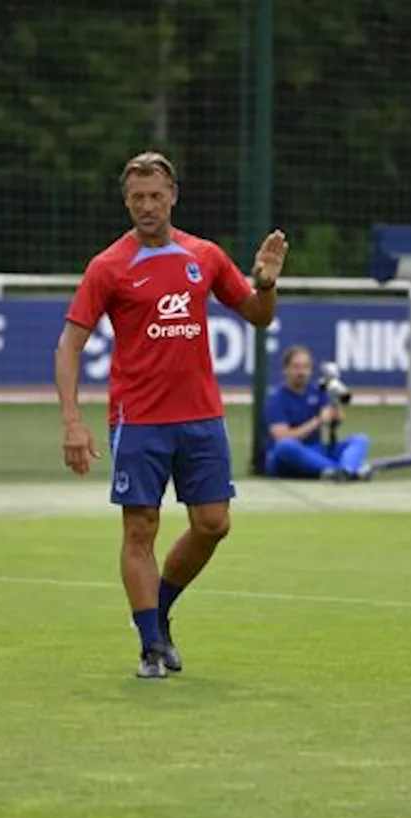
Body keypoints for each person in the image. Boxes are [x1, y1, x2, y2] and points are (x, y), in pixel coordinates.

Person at [54, 151, 289, 678]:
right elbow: (68, 346)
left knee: (213, 524)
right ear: (126, 201)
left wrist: (267, 283)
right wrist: (73, 421)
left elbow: (257, 317)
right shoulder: (108, 266)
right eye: (137, 198)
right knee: (141, 531)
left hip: (201, 418)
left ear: (173, 196)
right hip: (138, 421)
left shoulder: (203, 255)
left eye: (155, 196)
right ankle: (151, 647)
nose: (147, 206)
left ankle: (156, 615)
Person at [263, 344, 372, 480]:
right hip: (289, 455)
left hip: (318, 449)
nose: (301, 372)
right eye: (296, 367)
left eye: (305, 367)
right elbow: (282, 436)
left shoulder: (318, 391)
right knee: (284, 447)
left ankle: (346, 470)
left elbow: (337, 419)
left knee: (360, 439)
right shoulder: (276, 397)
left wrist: (336, 407)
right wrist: (318, 421)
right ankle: (342, 470)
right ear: (286, 370)